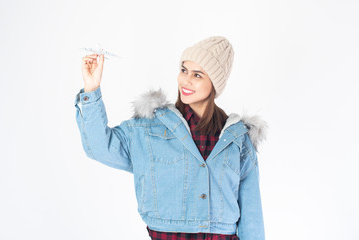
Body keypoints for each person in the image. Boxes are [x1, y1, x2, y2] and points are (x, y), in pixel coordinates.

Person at [74, 36, 268, 240]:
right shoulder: (149, 129)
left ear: (214, 84)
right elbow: (99, 147)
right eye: (184, 70)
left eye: (198, 75)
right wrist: (91, 89)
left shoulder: (237, 139)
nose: (186, 80)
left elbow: (251, 216)